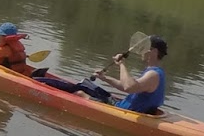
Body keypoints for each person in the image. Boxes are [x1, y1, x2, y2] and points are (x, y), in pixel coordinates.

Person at [34, 36, 169, 114]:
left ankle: (41, 87)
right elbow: (126, 87)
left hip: (123, 111)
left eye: (145, 48)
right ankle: (41, 82)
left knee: (80, 93)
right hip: (121, 105)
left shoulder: (153, 74)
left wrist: (121, 64)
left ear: (154, 51)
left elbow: (129, 87)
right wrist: (104, 78)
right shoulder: (153, 72)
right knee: (85, 84)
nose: (141, 51)